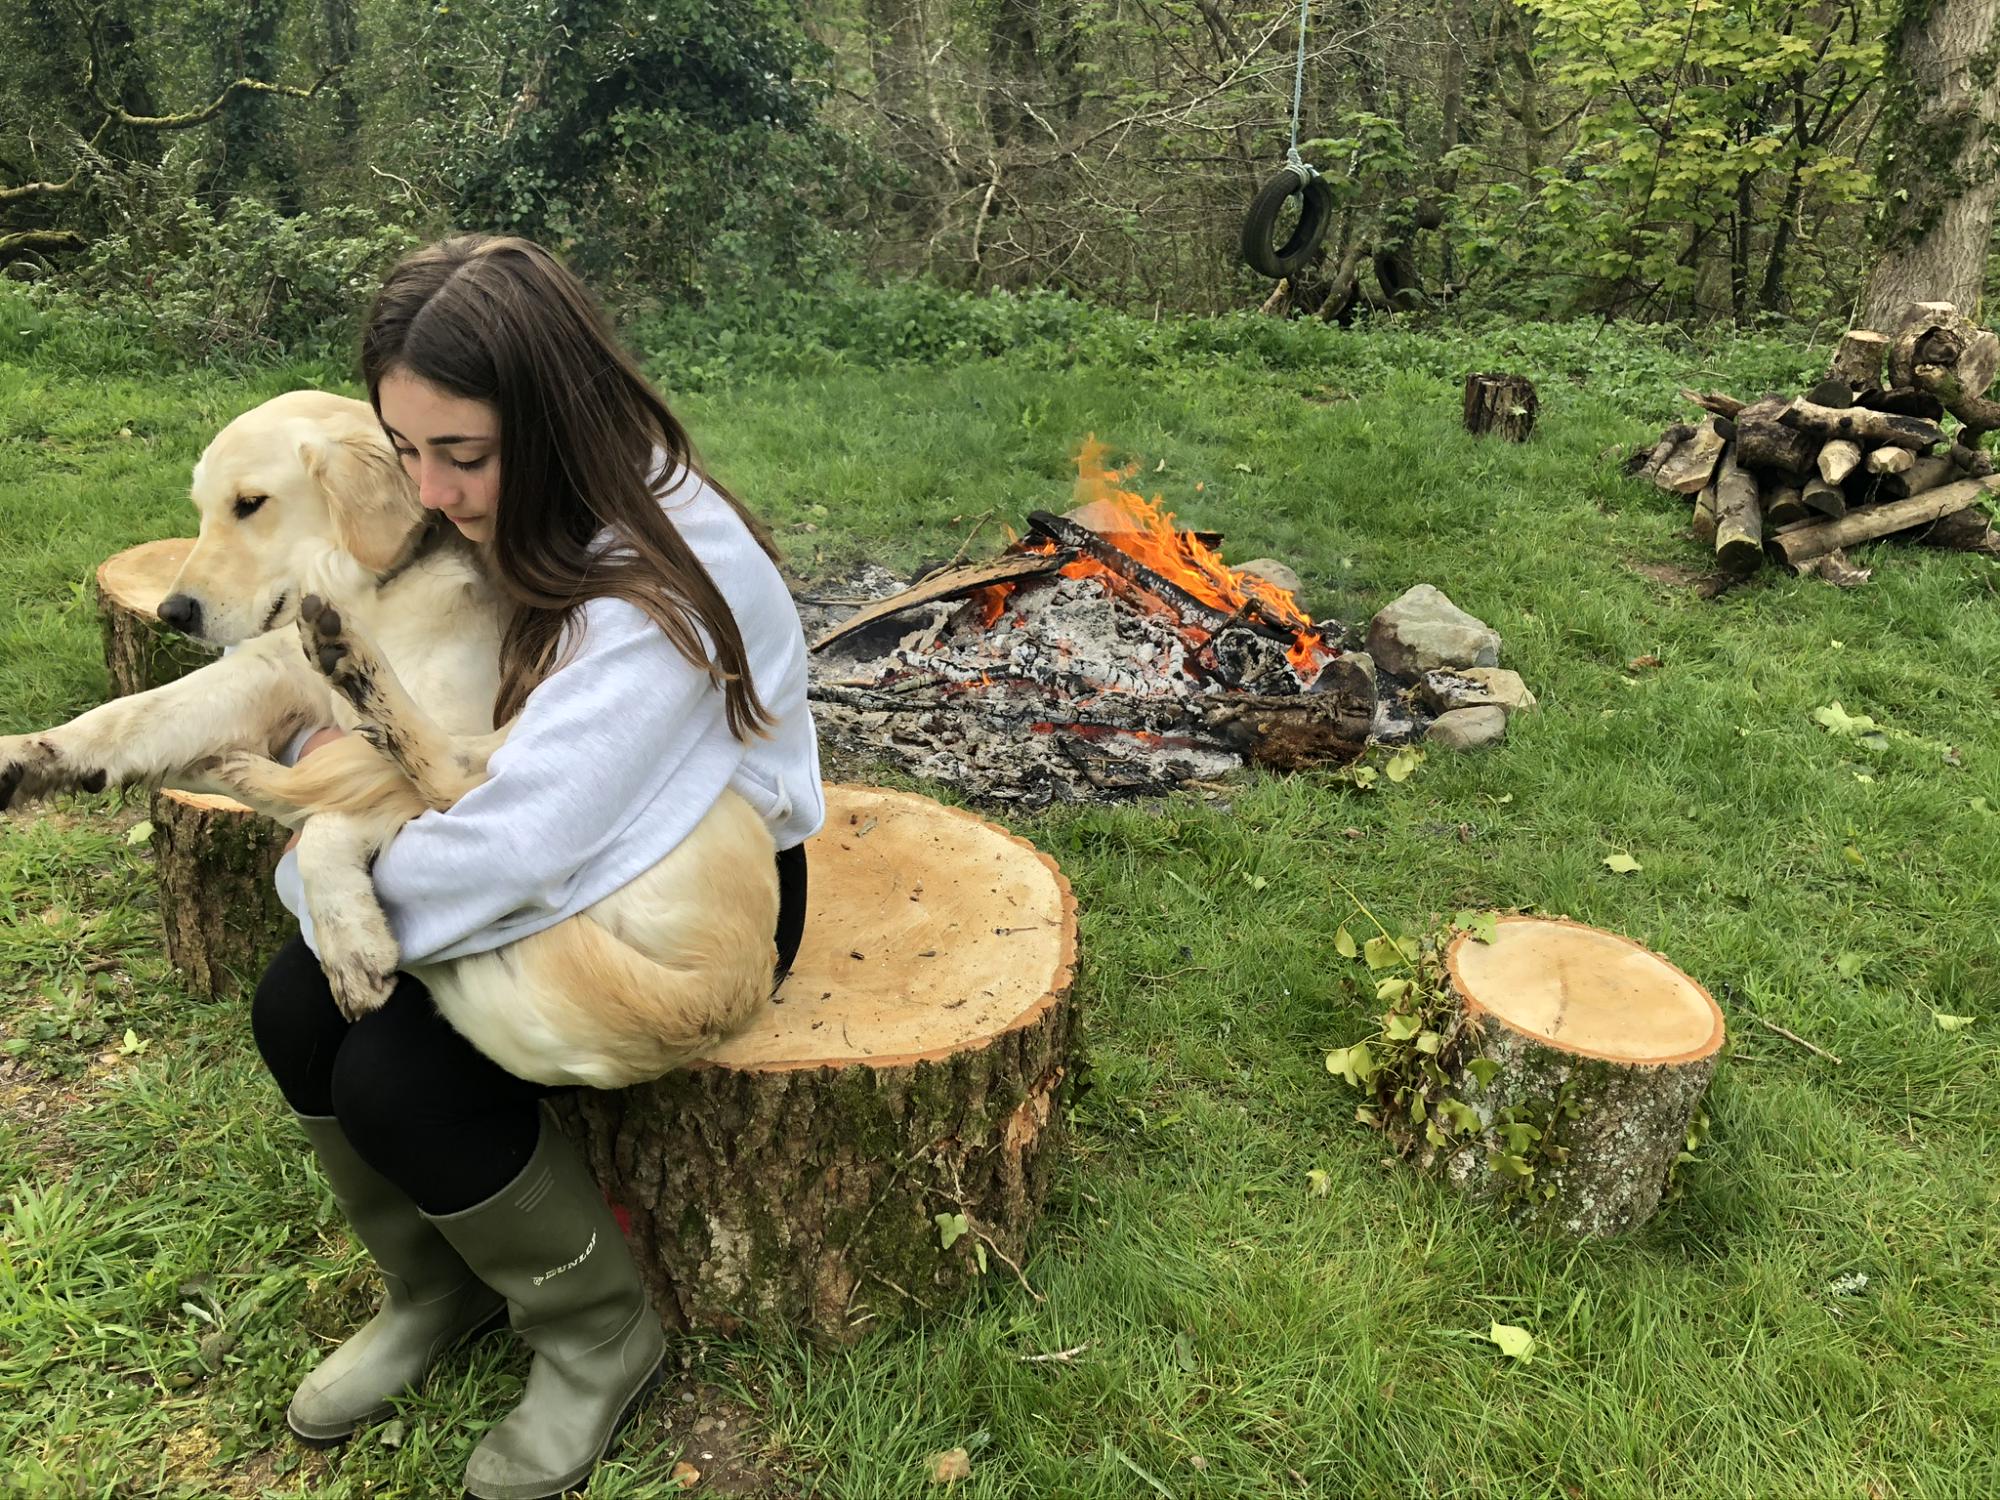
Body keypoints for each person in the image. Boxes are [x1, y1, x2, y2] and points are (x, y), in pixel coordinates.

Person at [251, 234, 824, 1500]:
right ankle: (436, 1286)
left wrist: (313, 877)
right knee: (295, 1007)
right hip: (568, 835)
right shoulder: (540, 506)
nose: (432, 489)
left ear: (559, 416)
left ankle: (595, 1333)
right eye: (406, 449)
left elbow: (517, 851)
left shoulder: (664, 586)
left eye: (464, 455)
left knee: (397, 1072)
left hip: (691, 892)